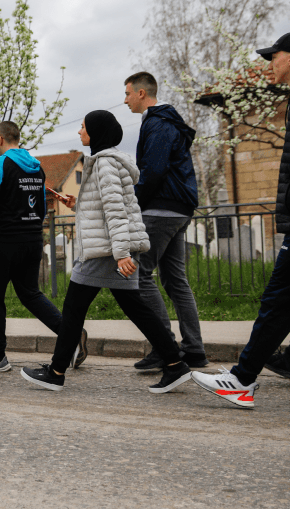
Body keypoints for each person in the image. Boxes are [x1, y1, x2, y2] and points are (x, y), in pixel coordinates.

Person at [192, 32, 290, 408]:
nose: (271, 62)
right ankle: (287, 362)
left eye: (275, 55)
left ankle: (241, 379)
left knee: (280, 296)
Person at [19, 111, 193, 394]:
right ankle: (174, 364)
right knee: (135, 308)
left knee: (74, 309)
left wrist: (122, 253)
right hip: (111, 249)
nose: (79, 132)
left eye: (83, 126)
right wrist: (78, 203)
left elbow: (116, 211)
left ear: (96, 132)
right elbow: (104, 207)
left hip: (106, 252)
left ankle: (55, 372)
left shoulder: (104, 165)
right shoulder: (111, 162)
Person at [0, 121, 86, 372]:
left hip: (4, 239)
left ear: (1, 140)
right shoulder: (36, 166)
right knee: (29, 293)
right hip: (33, 238)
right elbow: (40, 205)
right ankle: (71, 335)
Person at [123, 71, 208, 370]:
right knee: (175, 280)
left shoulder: (158, 123)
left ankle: (164, 348)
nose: (125, 100)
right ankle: (194, 350)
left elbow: (153, 171)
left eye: (128, 94)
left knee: (140, 275)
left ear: (142, 93)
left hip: (161, 208)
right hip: (179, 209)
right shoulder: (168, 121)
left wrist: (134, 203)